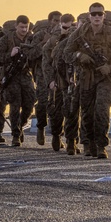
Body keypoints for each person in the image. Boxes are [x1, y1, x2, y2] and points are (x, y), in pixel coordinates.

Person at [61, 3, 111, 158]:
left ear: (104, 16)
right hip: (86, 78)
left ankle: (101, 145)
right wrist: (80, 56)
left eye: (100, 14)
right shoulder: (80, 34)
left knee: (102, 110)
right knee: (87, 113)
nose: (97, 17)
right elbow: (66, 53)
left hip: (105, 78)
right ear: (89, 16)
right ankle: (88, 144)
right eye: (94, 14)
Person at [0, 15, 36, 147]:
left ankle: (20, 124)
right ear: (16, 26)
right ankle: (15, 135)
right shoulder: (7, 39)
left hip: (26, 75)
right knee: (14, 105)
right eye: (21, 27)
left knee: (29, 104)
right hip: (11, 76)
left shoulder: (31, 38)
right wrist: (10, 54)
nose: (24, 29)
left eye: (26, 27)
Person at [42, 14, 75, 152]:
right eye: (65, 27)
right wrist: (50, 80)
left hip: (71, 80)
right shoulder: (53, 41)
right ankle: (56, 135)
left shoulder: (76, 39)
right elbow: (46, 63)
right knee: (56, 112)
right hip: (57, 80)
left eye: (71, 26)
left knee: (72, 111)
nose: (68, 30)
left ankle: (71, 141)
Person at [29, 11, 61, 145]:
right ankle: (41, 127)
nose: (57, 23)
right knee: (43, 102)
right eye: (55, 21)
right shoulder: (41, 35)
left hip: (58, 73)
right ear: (50, 21)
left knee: (57, 104)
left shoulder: (64, 34)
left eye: (59, 21)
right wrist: (44, 42)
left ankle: (56, 134)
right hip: (42, 74)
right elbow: (31, 54)